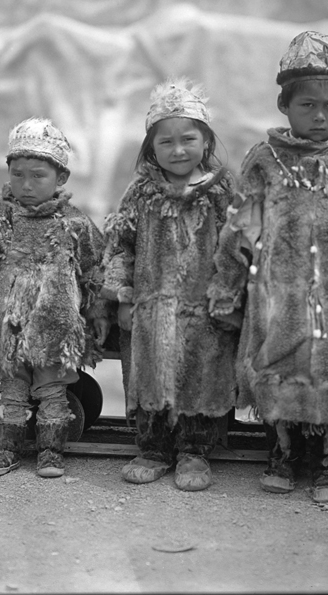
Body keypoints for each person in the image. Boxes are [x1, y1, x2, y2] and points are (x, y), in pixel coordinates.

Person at [208, 31, 328, 504]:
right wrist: (228, 291)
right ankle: (283, 455)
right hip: (277, 293)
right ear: (284, 105)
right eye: (307, 105)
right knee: (279, 369)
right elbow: (240, 230)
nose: (320, 115)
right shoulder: (263, 161)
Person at [0, 118, 109, 478]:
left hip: (54, 324)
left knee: (52, 388)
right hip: (8, 325)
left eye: (38, 176)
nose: (26, 185)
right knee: (13, 387)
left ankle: (51, 451)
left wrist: (97, 310)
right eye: (18, 174)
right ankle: (6, 449)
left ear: (61, 178)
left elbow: (96, 268)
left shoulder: (75, 224)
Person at [102, 78, 238, 492]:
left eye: (188, 139)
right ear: (150, 148)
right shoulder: (141, 193)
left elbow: (238, 245)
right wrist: (122, 294)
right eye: (166, 142)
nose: (178, 150)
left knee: (202, 377)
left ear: (206, 140)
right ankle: (154, 449)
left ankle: (196, 452)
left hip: (206, 311)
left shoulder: (222, 191)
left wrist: (229, 294)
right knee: (149, 379)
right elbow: (119, 245)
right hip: (150, 310)